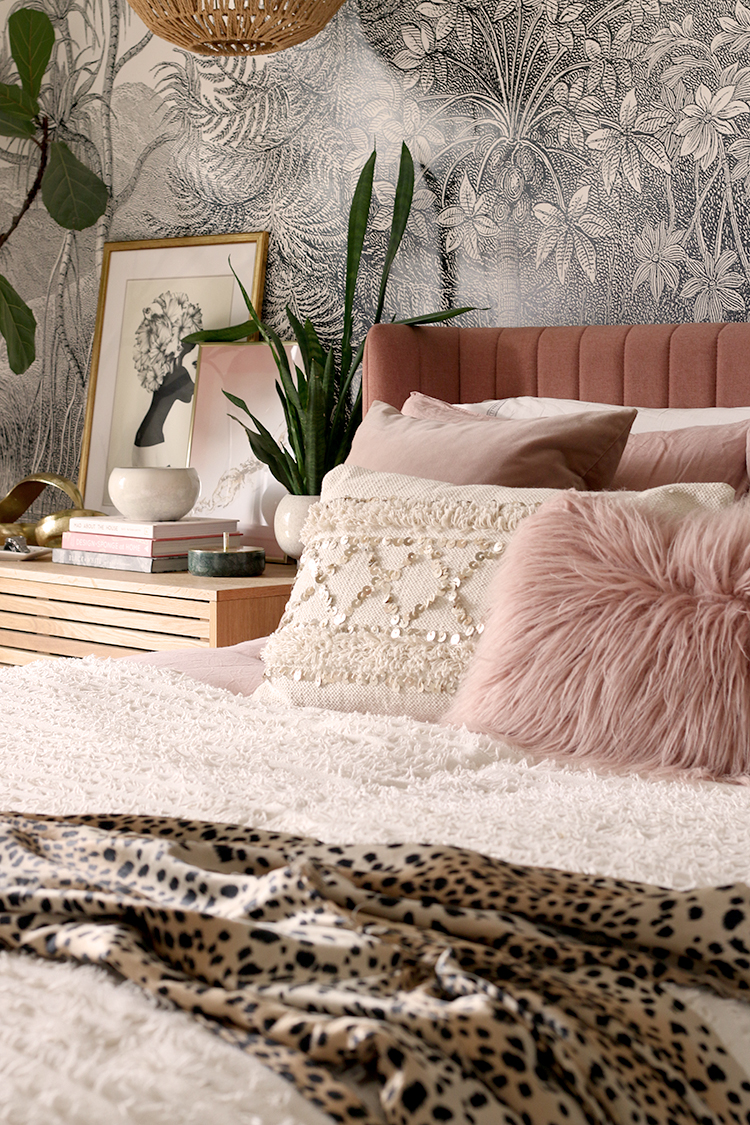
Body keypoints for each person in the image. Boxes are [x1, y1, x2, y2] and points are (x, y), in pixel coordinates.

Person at [131, 292, 202, 466]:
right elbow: (190, 393)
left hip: (149, 434)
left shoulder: (170, 371)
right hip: (151, 438)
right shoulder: (177, 374)